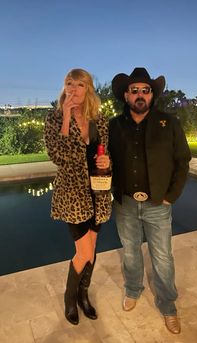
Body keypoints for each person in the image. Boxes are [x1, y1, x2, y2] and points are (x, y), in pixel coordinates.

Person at [108, 67, 191, 334]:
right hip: (126, 203)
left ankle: (168, 306)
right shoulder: (114, 125)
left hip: (158, 203)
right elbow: (106, 158)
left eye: (146, 90)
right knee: (130, 252)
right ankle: (133, 289)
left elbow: (182, 162)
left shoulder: (170, 123)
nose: (140, 95)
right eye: (135, 91)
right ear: (126, 95)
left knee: (163, 257)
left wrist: (171, 196)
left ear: (152, 95)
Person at [44, 68, 112, 325]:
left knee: (92, 249)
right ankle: (69, 298)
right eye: (69, 83)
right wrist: (64, 118)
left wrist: (106, 161)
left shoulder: (98, 119)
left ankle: (84, 295)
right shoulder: (52, 118)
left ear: (88, 90)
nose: (73, 89)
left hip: (97, 192)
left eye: (79, 84)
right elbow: (58, 157)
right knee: (83, 252)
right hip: (72, 195)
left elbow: (104, 156)